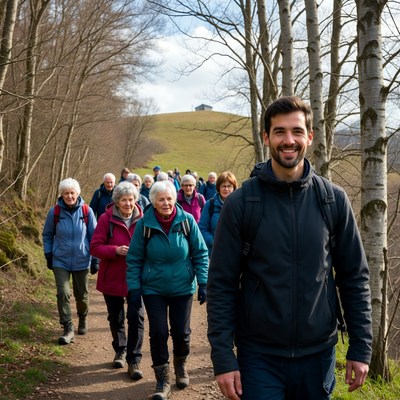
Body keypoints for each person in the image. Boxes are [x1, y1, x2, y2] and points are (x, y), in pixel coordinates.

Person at [207, 96, 372, 400]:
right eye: (280, 131)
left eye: (297, 131)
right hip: (259, 357)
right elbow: (221, 284)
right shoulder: (241, 204)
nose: (289, 140)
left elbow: (354, 277)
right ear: (266, 137)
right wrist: (223, 357)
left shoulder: (333, 200)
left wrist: (361, 346)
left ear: (310, 137)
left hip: (319, 355)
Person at [126, 180, 209, 400]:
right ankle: (162, 380)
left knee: (181, 333)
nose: (166, 203)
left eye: (169, 198)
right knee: (159, 332)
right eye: (161, 199)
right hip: (153, 289)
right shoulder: (144, 225)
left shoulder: (187, 221)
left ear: (175, 199)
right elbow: (134, 258)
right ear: (153, 202)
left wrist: (203, 282)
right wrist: (134, 290)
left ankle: (181, 365)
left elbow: (200, 253)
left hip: (182, 288)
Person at [90, 182, 145, 378]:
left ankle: (134, 359)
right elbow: (95, 247)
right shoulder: (106, 219)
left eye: (131, 199)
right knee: (116, 318)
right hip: (112, 277)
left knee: (136, 317)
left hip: (136, 278)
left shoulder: (144, 219)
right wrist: (115, 250)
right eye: (124, 200)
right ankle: (120, 350)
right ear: (117, 201)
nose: (128, 203)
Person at [42, 178, 97, 345]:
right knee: (63, 293)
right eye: (66, 193)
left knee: (82, 296)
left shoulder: (87, 212)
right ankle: (67, 327)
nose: (69, 196)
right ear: (61, 194)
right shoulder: (55, 212)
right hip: (61, 260)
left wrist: (95, 259)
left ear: (77, 193)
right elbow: (47, 235)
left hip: (82, 260)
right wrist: (49, 254)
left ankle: (82, 318)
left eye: (72, 193)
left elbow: (94, 237)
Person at [198, 171, 237, 257]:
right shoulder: (210, 204)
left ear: (234, 188)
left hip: (235, 254)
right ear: (218, 187)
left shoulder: (240, 206)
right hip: (214, 254)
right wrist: (212, 241)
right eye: (223, 186)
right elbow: (202, 228)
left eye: (229, 186)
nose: (226, 189)